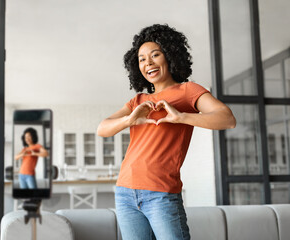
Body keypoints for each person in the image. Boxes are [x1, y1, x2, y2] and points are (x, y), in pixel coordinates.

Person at [97, 24, 236, 240]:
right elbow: (102, 128)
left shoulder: (188, 91)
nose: (148, 63)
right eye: (142, 59)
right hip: (125, 191)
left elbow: (227, 119)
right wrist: (129, 119)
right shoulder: (138, 100)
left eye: (155, 55)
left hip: (161, 193)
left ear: (170, 56)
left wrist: (181, 117)